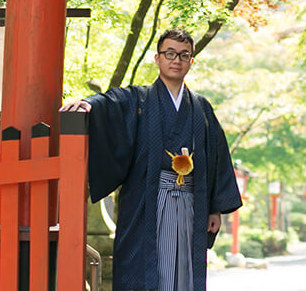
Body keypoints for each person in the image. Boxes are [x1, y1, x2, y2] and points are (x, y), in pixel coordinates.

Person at [60, 29, 241, 291]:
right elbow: (110, 101)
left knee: (186, 267)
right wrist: (89, 103)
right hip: (147, 201)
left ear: (191, 61)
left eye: (184, 55)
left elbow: (216, 156)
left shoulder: (201, 107)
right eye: (170, 53)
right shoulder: (138, 99)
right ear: (157, 58)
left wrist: (214, 207)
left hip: (192, 202)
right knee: (142, 267)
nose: (176, 60)